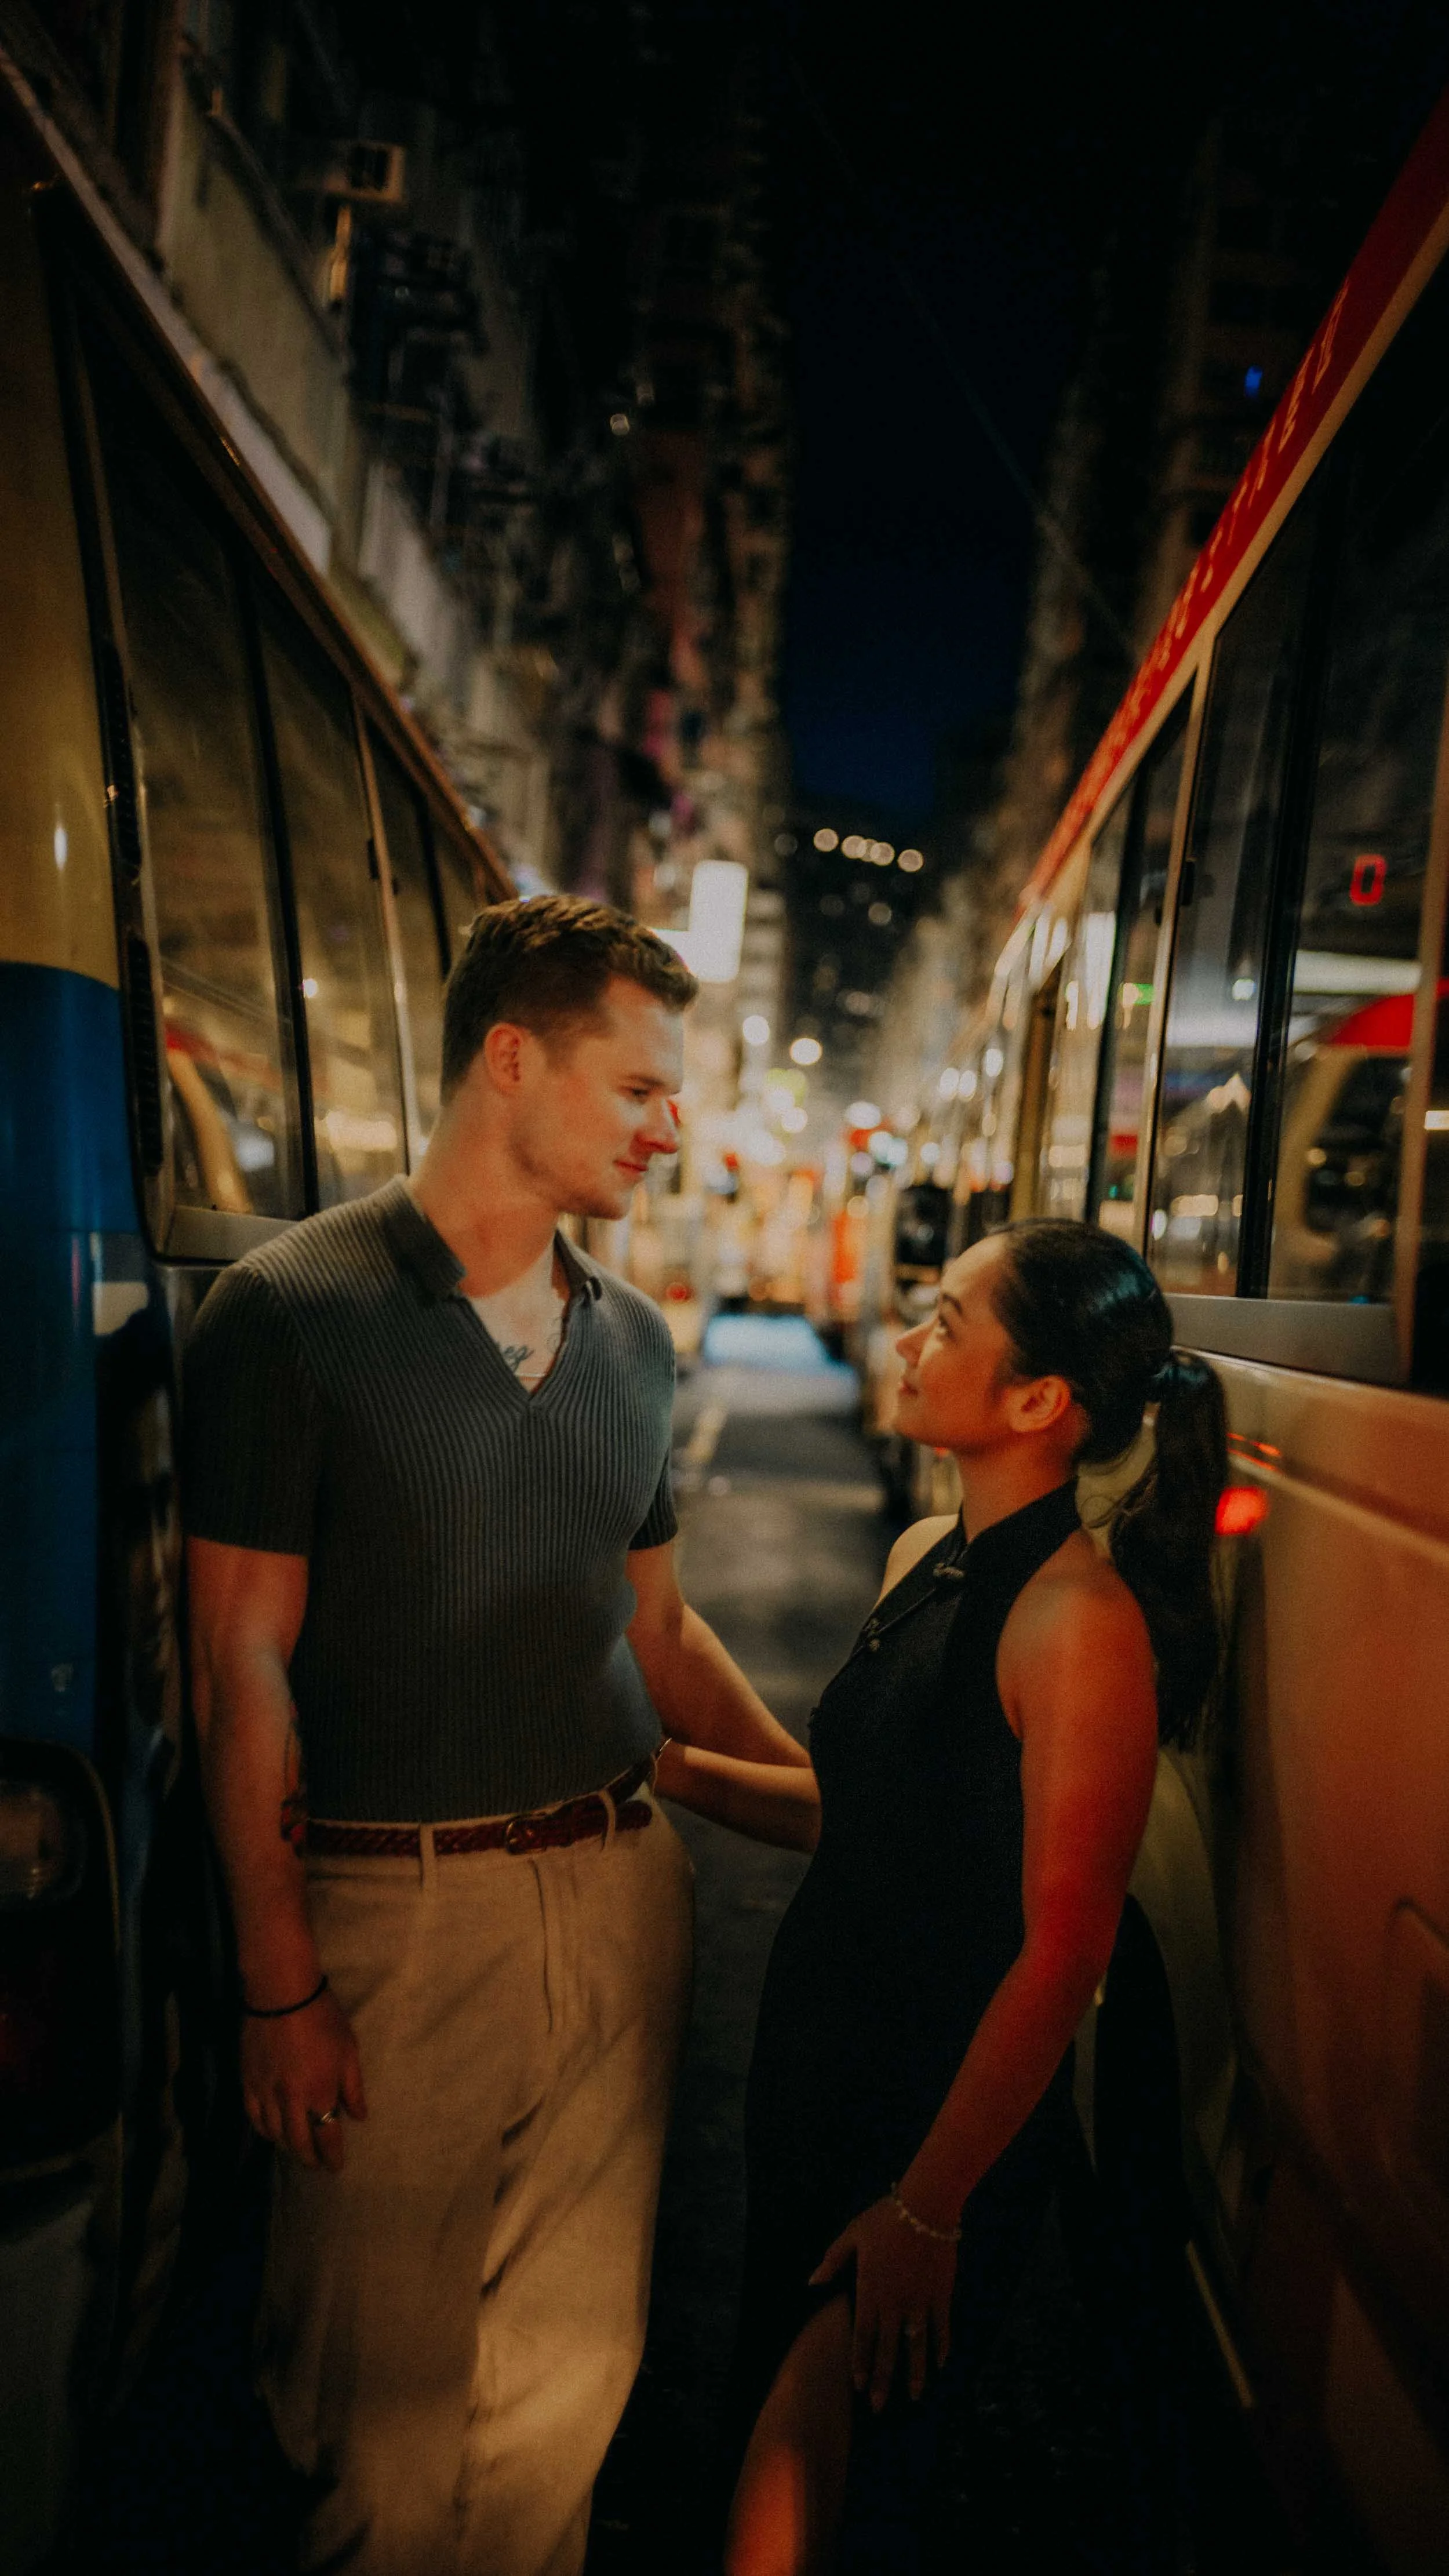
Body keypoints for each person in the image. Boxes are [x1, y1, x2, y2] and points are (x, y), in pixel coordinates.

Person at [183, 896, 812, 2576]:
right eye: (639, 1087)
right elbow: (240, 1664)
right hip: (390, 1913)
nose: (669, 1128)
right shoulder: (288, 1311)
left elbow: (657, 1631)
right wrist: (279, 1980)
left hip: (619, 1891)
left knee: (567, 2396)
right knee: (374, 2432)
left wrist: (825, 1799)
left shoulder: (632, 1339)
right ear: (511, 1058)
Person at [654, 1219, 1226, 2573]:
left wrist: (928, 2203)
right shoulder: (926, 1549)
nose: (905, 1340)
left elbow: (1063, 1947)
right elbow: (872, 1822)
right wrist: (659, 1767)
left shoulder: (1079, 1626)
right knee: (794, 2453)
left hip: (922, 2110)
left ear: (1037, 1401)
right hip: (812, 2072)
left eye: (946, 1322)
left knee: (801, 2485)